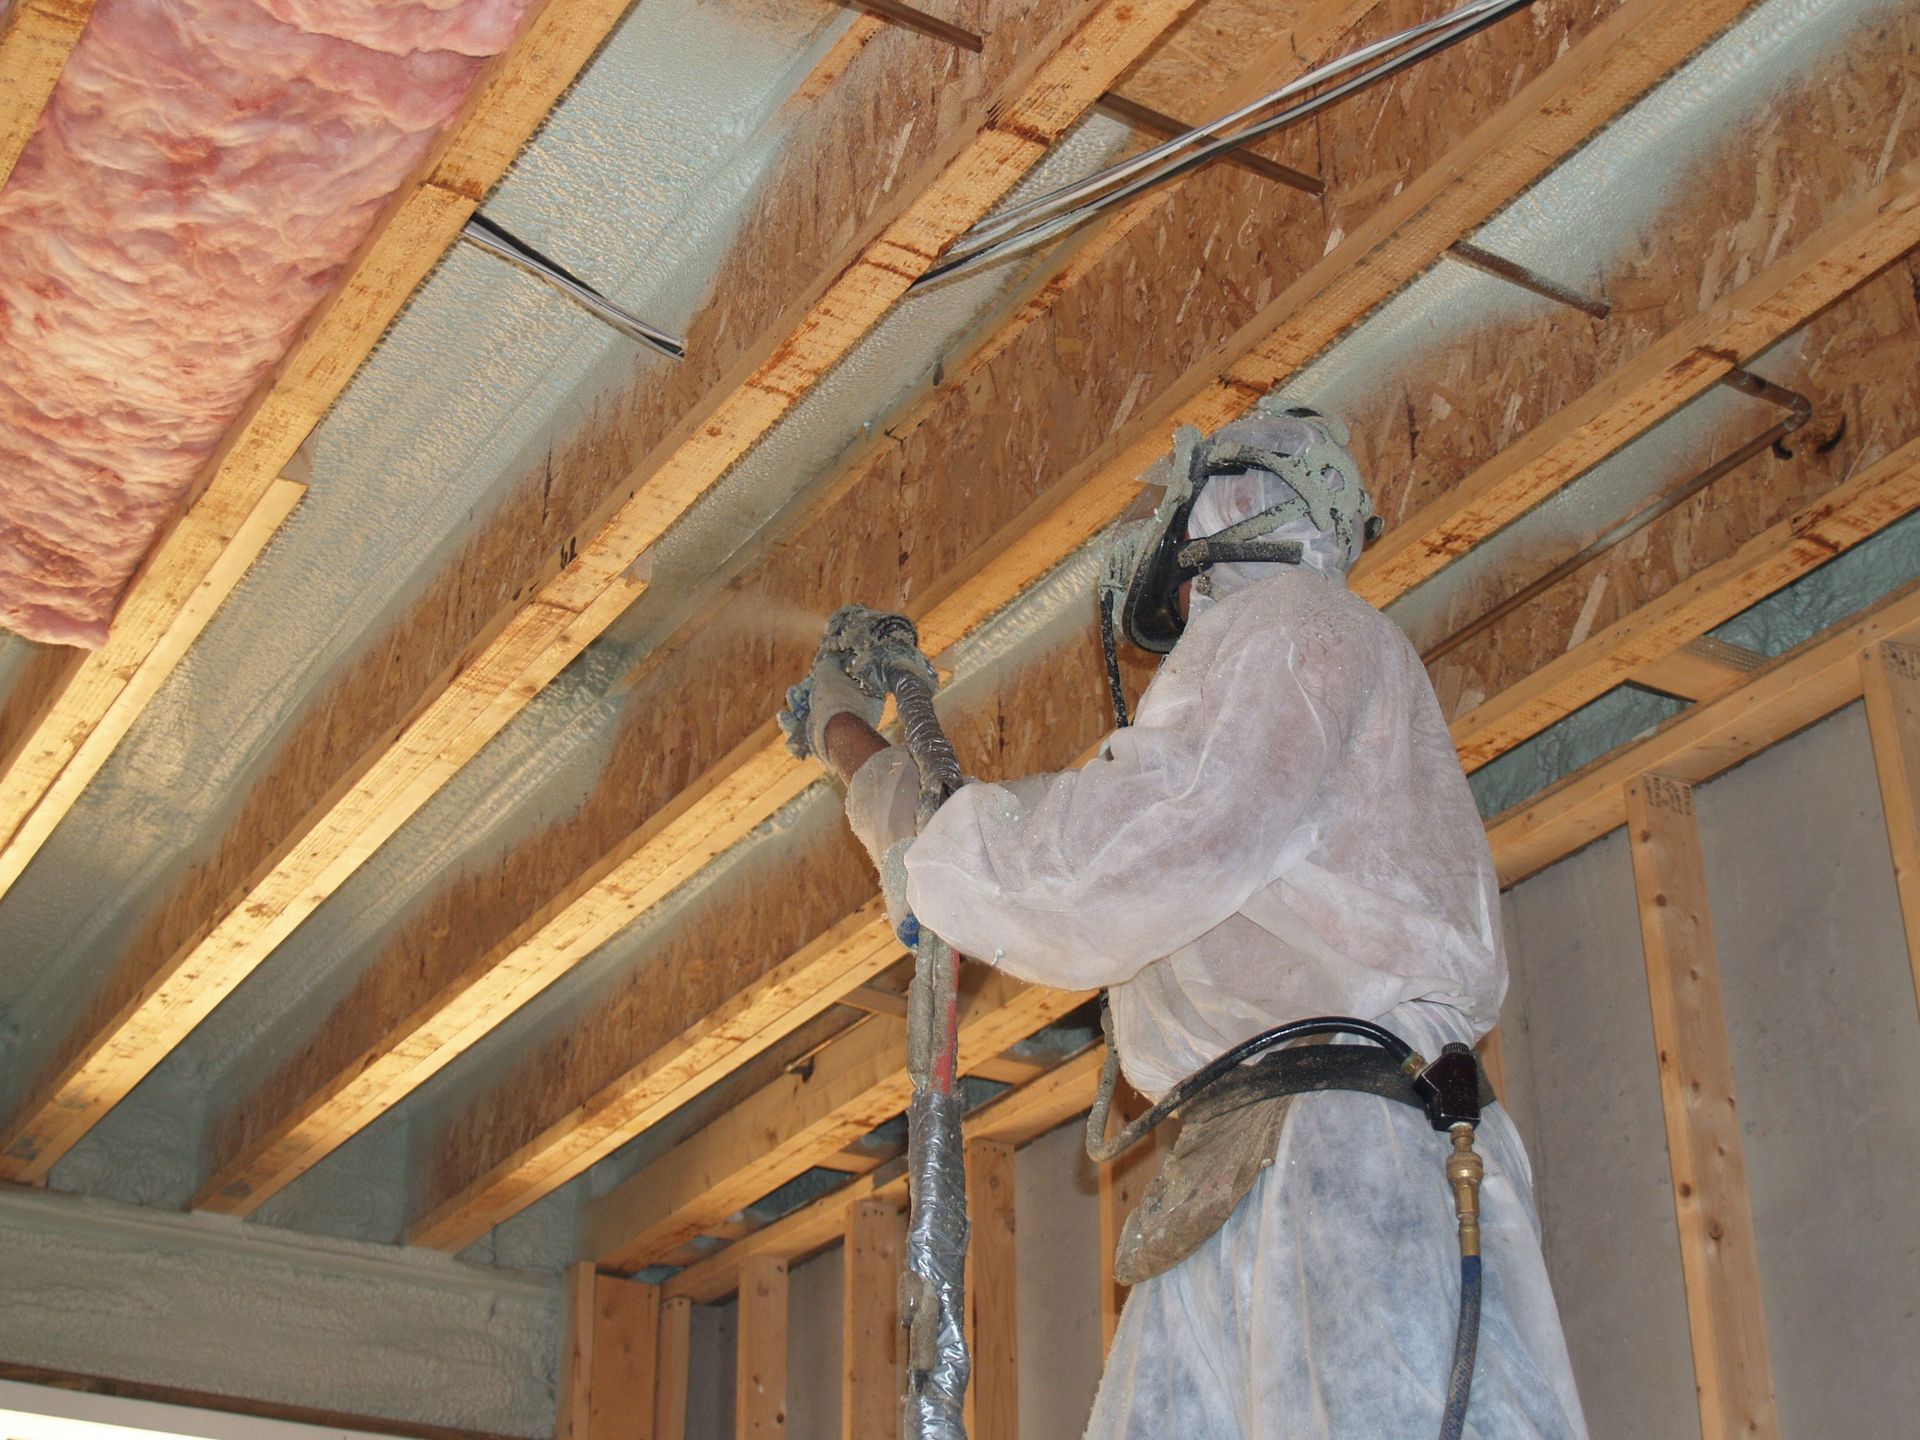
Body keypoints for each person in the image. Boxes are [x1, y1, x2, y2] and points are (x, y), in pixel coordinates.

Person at [798, 401, 1588, 1437]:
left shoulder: (1294, 630)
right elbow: (1140, 848)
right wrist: (886, 785)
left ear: (1231, 507)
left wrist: (864, 764)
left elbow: (1138, 848)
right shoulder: (1288, 661)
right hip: (1251, 1158)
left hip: (1332, 1155)